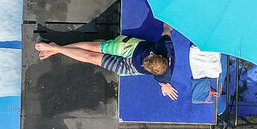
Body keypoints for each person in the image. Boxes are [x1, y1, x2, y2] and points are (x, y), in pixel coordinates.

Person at [35, 24, 178, 100]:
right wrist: (168, 26)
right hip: (132, 48)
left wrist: (165, 87)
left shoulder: (164, 76)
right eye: (150, 55)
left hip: (129, 68)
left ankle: (56, 48)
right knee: (93, 47)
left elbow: (163, 83)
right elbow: (166, 31)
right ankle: (56, 48)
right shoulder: (165, 46)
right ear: (158, 55)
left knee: (92, 58)